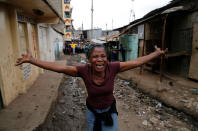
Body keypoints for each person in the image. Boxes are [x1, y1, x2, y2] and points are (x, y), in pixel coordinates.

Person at [15, 44, 167, 131]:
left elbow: (136, 62)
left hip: (109, 112)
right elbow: (58, 68)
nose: (99, 60)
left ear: (107, 59)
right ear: (89, 59)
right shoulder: (83, 71)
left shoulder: (113, 68)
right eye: (95, 56)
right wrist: (33, 61)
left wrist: (156, 54)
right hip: (92, 112)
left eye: (103, 56)